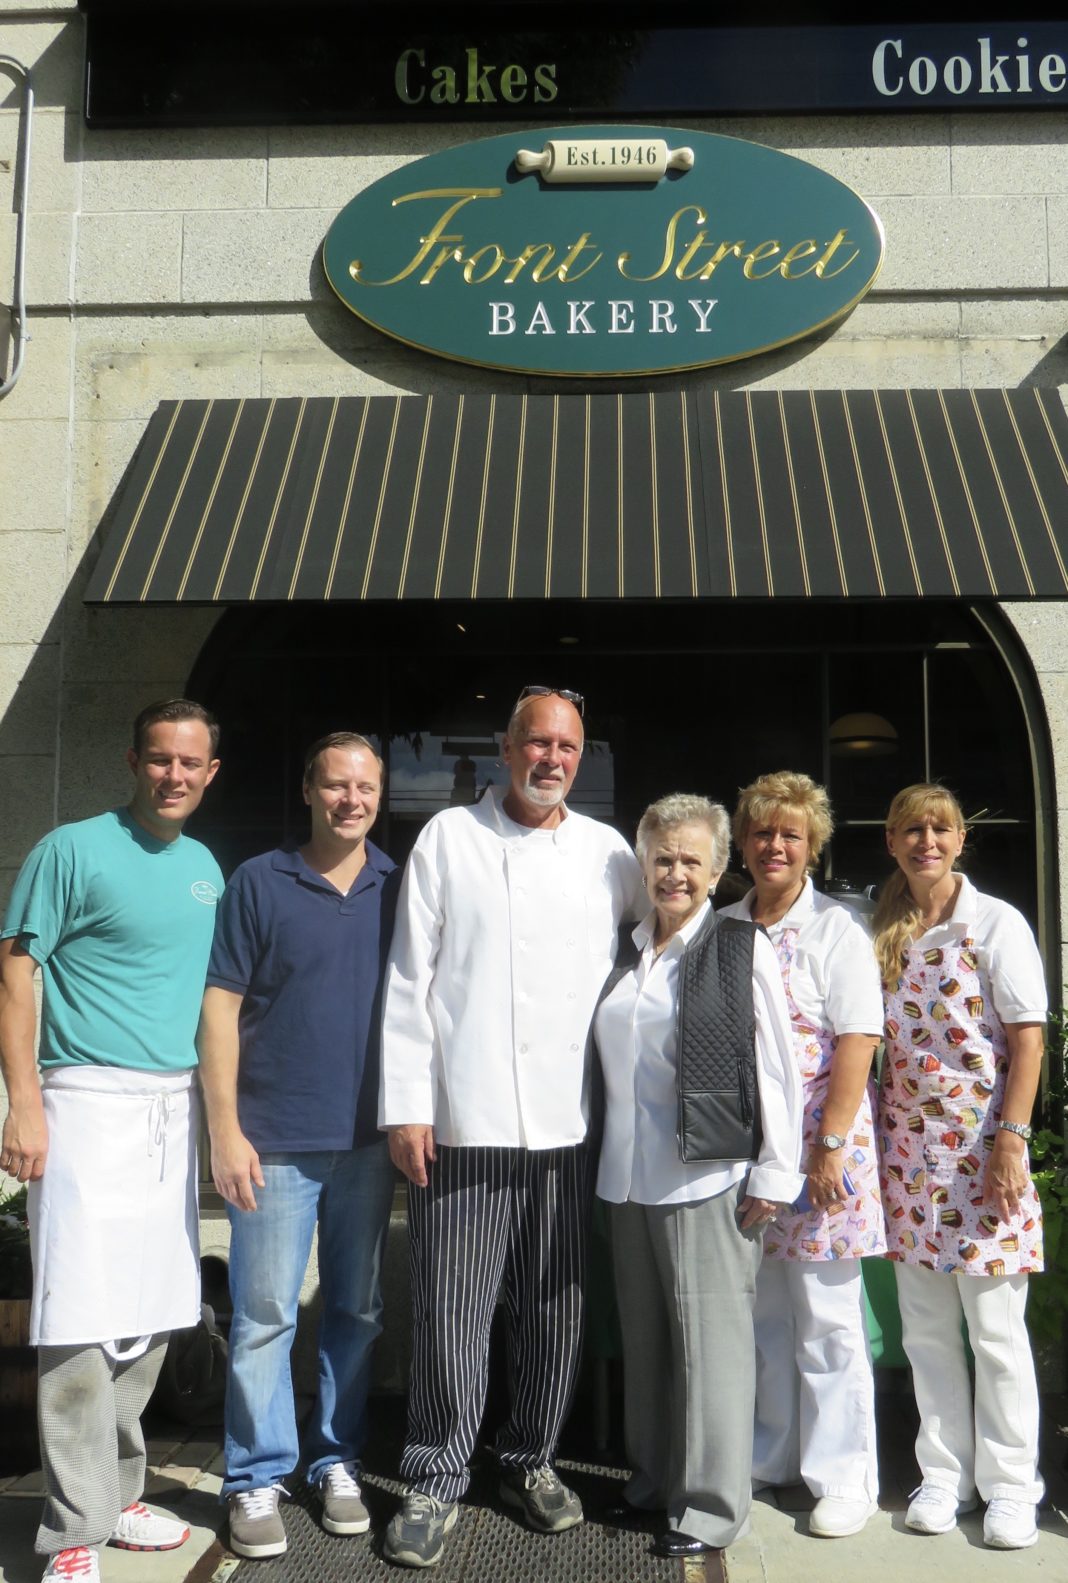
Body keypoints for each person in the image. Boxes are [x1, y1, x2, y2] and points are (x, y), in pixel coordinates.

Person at [379, 686, 643, 1569]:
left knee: (555, 1310)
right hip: (465, 1118)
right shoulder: (449, 839)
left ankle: (527, 1457)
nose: (551, 758)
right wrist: (408, 1103)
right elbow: (411, 978)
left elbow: (665, 943)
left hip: (569, 1128)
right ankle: (435, 1475)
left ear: (582, 754)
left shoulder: (610, 854)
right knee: (452, 1310)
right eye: (536, 741)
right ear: (505, 746)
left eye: (567, 745)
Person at [0, 699, 222, 1583]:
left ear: (212, 774)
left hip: (172, 1108)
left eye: (191, 763)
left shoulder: (208, 866)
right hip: (84, 1099)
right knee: (79, 1317)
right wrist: (23, 1105)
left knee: (154, 1311)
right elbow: (18, 972)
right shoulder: (69, 849)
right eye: (160, 758)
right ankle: (72, 1530)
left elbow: (212, 1001)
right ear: (134, 760)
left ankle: (117, 1492)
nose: (174, 775)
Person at [198, 732, 398, 1561]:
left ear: (379, 795)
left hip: (370, 1141)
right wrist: (224, 1129)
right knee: (265, 1315)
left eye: (366, 786)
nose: (352, 799)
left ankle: (335, 1458)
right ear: (310, 791)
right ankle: (255, 1474)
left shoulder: (402, 884)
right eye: (337, 784)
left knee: (354, 1310)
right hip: (272, 1140)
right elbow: (218, 1007)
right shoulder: (259, 880)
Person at [595, 793, 804, 1558]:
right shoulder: (627, 947)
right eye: (662, 856)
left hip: (709, 1177)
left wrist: (775, 1172)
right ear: (643, 864)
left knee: (711, 1348)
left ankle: (713, 1507)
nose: (674, 871)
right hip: (626, 1176)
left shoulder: (739, 946)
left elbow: (777, 1066)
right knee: (647, 1341)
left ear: (718, 869)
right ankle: (653, 1481)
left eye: (691, 859)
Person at [873, 783, 1046, 1550]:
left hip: (983, 1160)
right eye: (913, 829)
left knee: (998, 1332)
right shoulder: (883, 926)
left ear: (959, 839)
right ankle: (943, 1473)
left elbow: (1029, 1037)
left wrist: (1012, 1137)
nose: (926, 842)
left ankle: (1012, 1485)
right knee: (928, 1332)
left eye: (939, 828)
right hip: (909, 1161)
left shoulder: (996, 922)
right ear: (892, 839)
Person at [721, 772, 885, 1538]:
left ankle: (843, 1476)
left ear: (812, 844)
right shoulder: (724, 925)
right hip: (749, 1155)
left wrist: (828, 1145)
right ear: (742, 844)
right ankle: (772, 1453)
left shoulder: (835, 930)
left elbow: (858, 1039)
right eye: (761, 832)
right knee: (765, 1312)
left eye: (790, 833)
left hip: (825, 1149)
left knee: (826, 1316)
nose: (774, 845)